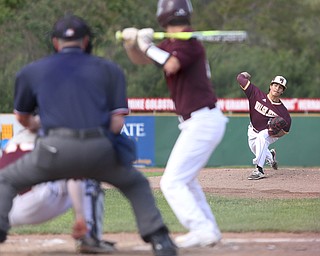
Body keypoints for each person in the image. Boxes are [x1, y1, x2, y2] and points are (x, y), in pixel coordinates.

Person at [0, 14, 177, 256]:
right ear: (85, 42)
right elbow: (116, 124)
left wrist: (41, 122)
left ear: (55, 42)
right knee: (136, 184)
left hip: (53, 150)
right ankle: (160, 240)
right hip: (98, 148)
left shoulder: (32, 70)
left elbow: (23, 118)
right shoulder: (110, 69)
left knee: (7, 180)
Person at [120, 0, 228, 248]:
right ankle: (208, 228)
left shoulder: (189, 44)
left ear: (163, 17)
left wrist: (146, 45)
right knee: (185, 181)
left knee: (172, 182)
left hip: (203, 120)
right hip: (197, 121)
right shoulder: (172, 44)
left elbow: (169, 63)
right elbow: (143, 59)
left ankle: (202, 229)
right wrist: (132, 44)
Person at [0, 128, 116, 254]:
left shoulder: (14, 139)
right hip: (35, 202)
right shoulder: (56, 136)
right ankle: (89, 238)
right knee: (84, 173)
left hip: (5, 212)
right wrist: (79, 216)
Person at [236, 72, 291, 180]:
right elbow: (240, 78)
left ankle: (259, 170)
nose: (277, 88)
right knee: (257, 149)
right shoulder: (256, 94)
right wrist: (244, 75)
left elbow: (285, 130)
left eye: (280, 87)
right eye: (275, 85)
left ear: (282, 91)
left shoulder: (283, 112)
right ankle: (271, 156)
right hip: (252, 130)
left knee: (262, 136)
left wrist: (274, 133)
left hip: (269, 133)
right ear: (270, 86)